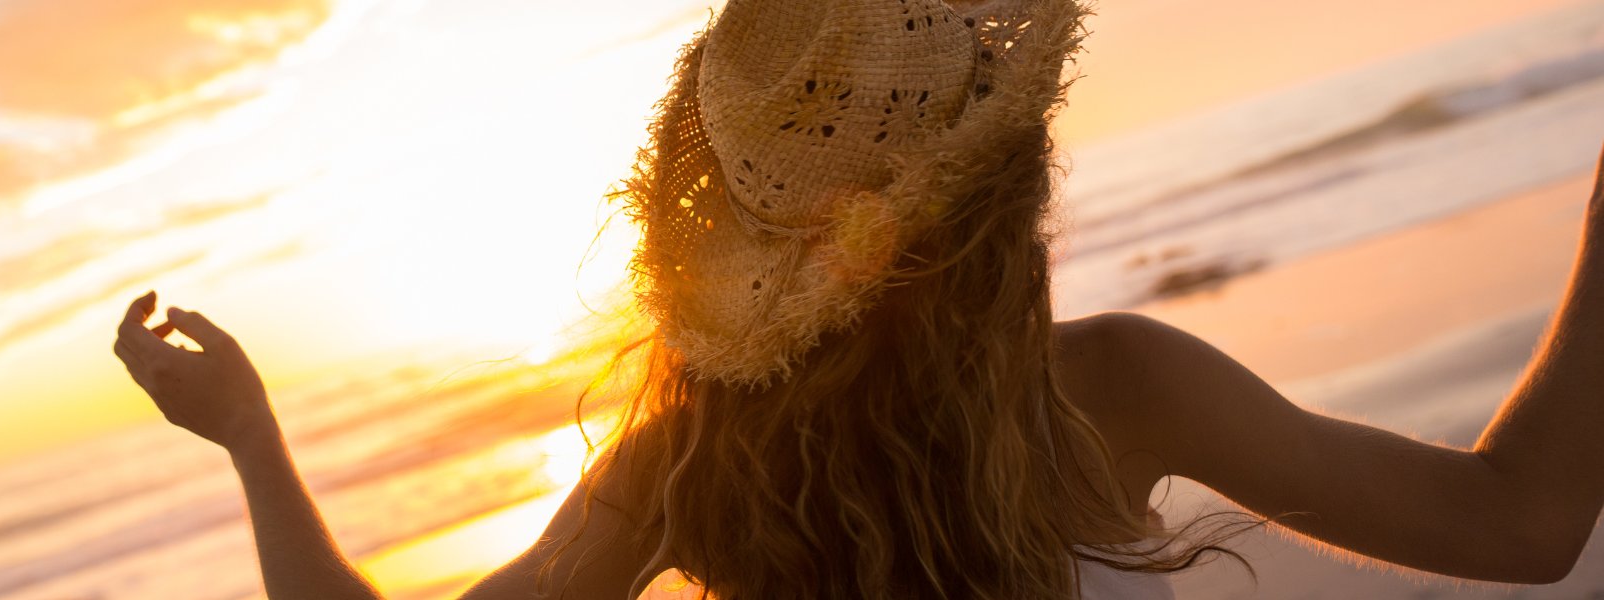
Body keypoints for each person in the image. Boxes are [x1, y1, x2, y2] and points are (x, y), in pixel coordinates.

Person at [112, 0, 1604, 597]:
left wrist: (250, 433)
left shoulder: (694, 466)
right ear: (998, 198)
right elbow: (1523, 529)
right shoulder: (1107, 393)